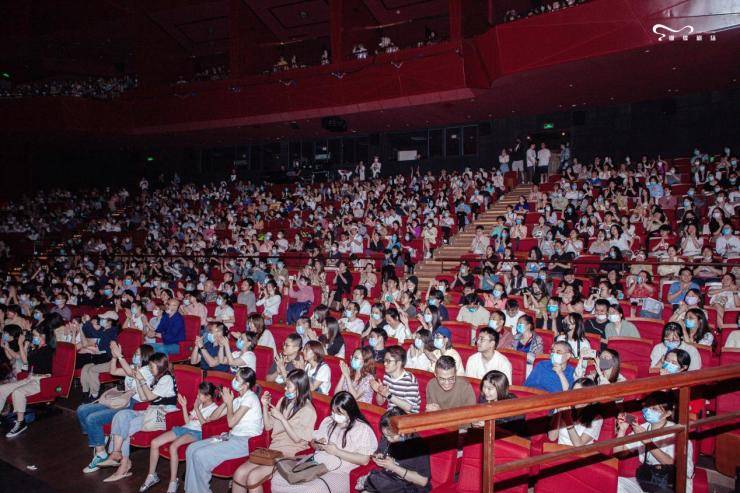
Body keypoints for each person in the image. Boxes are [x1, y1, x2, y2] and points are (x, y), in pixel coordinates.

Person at [271, 391, 378, 493]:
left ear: (350, 411)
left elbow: (364, 460)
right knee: (277, 480)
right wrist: (318, 444)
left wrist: (336, 451)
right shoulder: (329, 421)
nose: (334, 415)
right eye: (333, 411)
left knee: (311, 491)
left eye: (339, 413)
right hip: (317, 462)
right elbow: (313, 443)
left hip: (339, 472)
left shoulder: (362, 429)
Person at [232, 369, 317, 493]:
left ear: (299, 388)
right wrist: (265, 406)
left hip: (290, 454)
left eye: (288, 387)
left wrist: (281, 418)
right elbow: (268, 427)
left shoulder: (308, 410)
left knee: (253, 477)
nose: (285, 389)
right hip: (273, 450)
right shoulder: (283, 401)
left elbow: (297, 439)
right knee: (239, 473)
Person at [78, 343, 154, 473]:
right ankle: (99, 442)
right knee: (82, 410)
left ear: (146, 357)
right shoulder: (132, 366)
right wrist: (114, 357)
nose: (135, 356)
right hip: (121, 400)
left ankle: (100, 453)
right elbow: (113, 371)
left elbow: (132, 373)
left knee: (92, 419)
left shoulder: (148, 371)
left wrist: (119, 356)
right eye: (135, 353)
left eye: (138, 354)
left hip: (132, 405)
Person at [184, 368, 264, 493]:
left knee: (200, 455)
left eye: (237, 379)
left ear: (246, 384)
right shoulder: (237, 399)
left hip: (246, 441)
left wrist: (229, 403)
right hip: (231, 437)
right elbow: (212, 417)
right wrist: (224, 403)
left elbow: (231, 422)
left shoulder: (251, 398)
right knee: (191, 449)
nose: (234, 381)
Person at [101, 352, 177, 481]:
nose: (150, 369)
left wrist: (141, 380)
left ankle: (123, 465)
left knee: (126, 427)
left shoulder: (166, 379)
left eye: (152, 367)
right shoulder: (157, 377)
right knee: (121, 415)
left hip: (161, 415)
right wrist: (138, 379)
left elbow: (151, 397)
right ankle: (116, 453)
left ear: (160, 366)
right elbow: (143, 397)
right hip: (150, 410)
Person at [139, 382, 220, 492]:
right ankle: (151, 475)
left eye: (200, 394)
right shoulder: (200, 404)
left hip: (197, 432)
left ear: (209, 396)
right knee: (154, 442)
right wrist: (184, 406)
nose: (197, 396)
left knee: (173, 446)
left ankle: (173, 482)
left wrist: (196, 408)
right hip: (185, 428)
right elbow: (188, 421)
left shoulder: (214, 408)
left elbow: (205, 425)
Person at [614, 391, 695, 493]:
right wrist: (622, 430)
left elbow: (671, 463)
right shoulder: (644, 427)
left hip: (672, 483)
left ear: (667, 413)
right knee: (618, 484)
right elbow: (619, 453)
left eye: (654, 409)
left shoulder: (676, 432)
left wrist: (647, 441)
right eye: (647, 406)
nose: (648, 411)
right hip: (649, 480)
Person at [360, 407, 431, 493]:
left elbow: (423, 481)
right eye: (385, 436)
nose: (388, 439)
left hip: (412, 486)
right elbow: (381, 452)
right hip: (391, 480)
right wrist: (379, 456)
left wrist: (393, 467)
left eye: (392, 436)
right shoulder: (386, 437)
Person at [2, 324, 55, 438]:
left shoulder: (47, 350)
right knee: (2, 388)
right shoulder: (36, 348)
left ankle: (21, 423)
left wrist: (21, 344)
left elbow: (25, 361)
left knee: (18, 392)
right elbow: (25, 362)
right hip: (31, 377)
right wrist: (25, 346)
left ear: (43, 336)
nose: (33, 338)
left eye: (35, 336)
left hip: (42, 380)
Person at [548, 377, 602, 446]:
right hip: (560, 452)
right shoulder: (564, 407)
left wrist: (568, 420)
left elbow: (579, 445)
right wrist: (558, 412)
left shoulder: (597, 417)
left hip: (580, 455)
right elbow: (552, 437)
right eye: (574, 393)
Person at [372, 345, 421, 413]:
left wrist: (388, 395)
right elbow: (380, 403)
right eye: (385, 360)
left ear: (398, 363)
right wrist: (379, 391)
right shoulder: (387, 376)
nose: (385, 363)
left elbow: (408, 407)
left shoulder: (410, 380)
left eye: (388, 361)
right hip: (391, 416)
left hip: (407, 418)